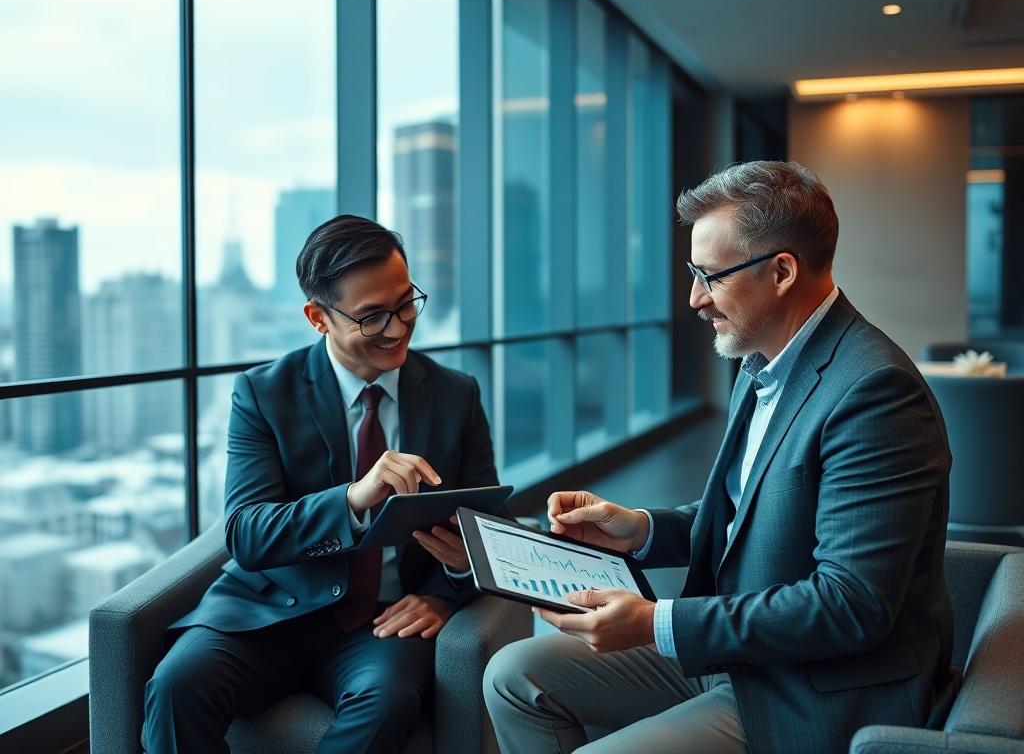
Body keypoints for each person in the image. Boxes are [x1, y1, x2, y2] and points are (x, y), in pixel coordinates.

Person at [484, 161, 958, 754]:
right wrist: (641, 530)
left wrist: (657, 623)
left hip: (814, 689)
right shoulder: (762, 360)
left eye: (709, 275)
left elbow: (852, 606)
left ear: (782, 271)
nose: (693, 298)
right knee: (513, 676)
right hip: (739, 652)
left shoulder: (876, 393)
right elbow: (753, 514)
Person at [143, 214, 497, 753]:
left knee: (388, 704)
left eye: (406, 303)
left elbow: (488, 525)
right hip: (268, 611)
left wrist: (445, 588)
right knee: (175, 687)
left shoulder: (456, 395)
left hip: (383, 623)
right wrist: (355, 499)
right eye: (372, 316)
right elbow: (248, 534)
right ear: (317, 318)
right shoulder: (263, 393)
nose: (398, 328)